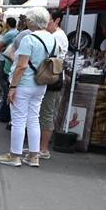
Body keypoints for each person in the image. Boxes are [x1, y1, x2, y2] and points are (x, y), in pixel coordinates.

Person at [0, 7, 56, 168]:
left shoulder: (29, 39)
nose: (26, 22)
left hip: (24, 83)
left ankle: (15, 155)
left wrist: (13, 87)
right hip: (40, 83)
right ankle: (33, 156)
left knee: (19, 120)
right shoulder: (52, 38)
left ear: (32, 21)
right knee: (34, 119)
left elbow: (21, 66)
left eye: (28, 19)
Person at [36, 10, 69, 159]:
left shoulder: (56, 36)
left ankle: (43, 149)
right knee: (46, 113)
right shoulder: (57, 35)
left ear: (57, 21)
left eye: (48, 21)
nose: (46, 24)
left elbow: (50, 59)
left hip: (52, 78)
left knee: (47, 114)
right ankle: (40, 147)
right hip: (52, 78)